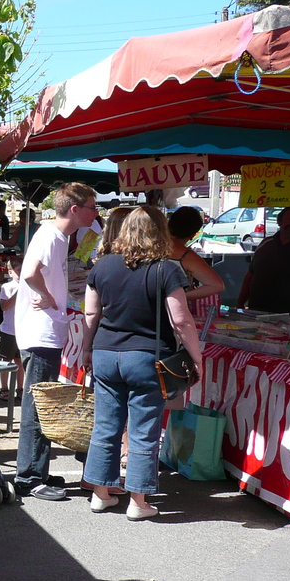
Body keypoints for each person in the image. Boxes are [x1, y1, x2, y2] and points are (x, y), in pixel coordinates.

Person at [81, 206, 204, 520]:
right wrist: (196, 357)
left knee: (106, 426)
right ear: (160, 232)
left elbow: (91, 314)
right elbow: (181, 321)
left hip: (106, 354)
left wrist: (86, 348)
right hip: (147, 358)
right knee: (143, 430)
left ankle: (100, 493)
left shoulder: (101, 266)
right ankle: (138, 501)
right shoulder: (167, 269)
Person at [13, 181, 99, 501]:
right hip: (40, 334)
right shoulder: (51, 235)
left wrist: (51, 298)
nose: (96, 213)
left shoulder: (58, 237)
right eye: (92, 207)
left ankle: (37, 469)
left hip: (47, 331)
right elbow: (30, 273)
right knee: (39, 407)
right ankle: (29, 477)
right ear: (75, 209)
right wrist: (47, 297)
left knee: (42, 405)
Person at [167, 206, 225, 311]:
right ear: (194, 235)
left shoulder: (148, 247)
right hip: (171, 313)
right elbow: (217, 285)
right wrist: (183, 296)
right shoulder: (185, 256)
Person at [0, 256, 24, 402]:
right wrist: (17, 294)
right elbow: (4, 306)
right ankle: (4, 388)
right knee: (6, 361)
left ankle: (20, 388)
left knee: (20, 361)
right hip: (9, 330)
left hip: (23, 329)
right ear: (10, 272)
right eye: (18, 271)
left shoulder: (29, 286)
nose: (21, 274)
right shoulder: (7, 287)